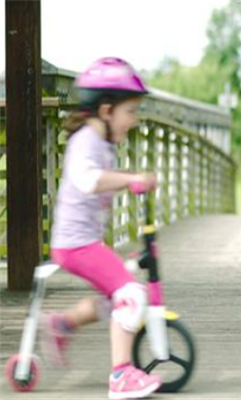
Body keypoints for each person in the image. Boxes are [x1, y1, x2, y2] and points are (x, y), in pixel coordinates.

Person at [45, 57, 161, 399]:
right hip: (76, 243)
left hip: (82, 241)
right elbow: (86, 179)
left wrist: (132, 180)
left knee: (115, 299)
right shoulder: (86, 142)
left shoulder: (103, 143)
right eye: (130, 112)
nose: (134, 120)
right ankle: (121, 374)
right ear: (107, 110)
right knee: (132, 295)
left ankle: (62, 323)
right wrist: (131, 179)